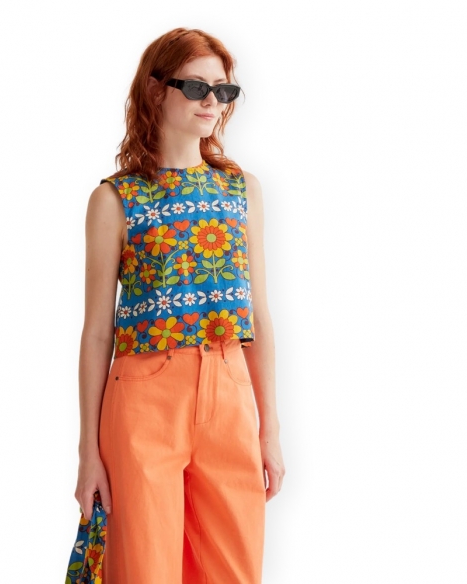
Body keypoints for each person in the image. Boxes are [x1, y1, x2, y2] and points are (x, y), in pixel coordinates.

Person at [74, 27, 285, 583]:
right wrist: (89, 453)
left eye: (223, 90)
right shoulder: (115, 199)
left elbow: (259, 316)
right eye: (195, 87)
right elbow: (97, 332)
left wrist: (269, 429)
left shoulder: (242, 190)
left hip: (229, 391)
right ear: (155, 90)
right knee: (145, 569)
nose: (212, 101)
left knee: (234, 571)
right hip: (143, 400)